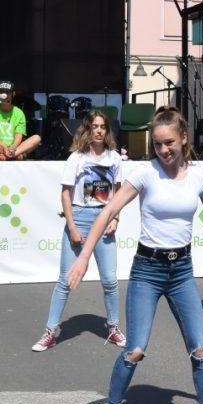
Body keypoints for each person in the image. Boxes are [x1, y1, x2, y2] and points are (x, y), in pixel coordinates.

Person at [67, 106, 203, 404]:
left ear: (183, 138)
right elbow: (109, 210)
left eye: (169, 142)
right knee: (135, 350)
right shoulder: (145, 173)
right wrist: (84, 256)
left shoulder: (199, 177)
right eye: (158, 144)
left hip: (182, 271)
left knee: (200, 351)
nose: (164, 150)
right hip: (147, 270)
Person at [33, 110, 126, 352]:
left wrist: (115, 218)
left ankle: (113, 326)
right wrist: (72, 226)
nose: (99, 131)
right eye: (94, 126)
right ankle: (51, 331)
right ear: (87, 129)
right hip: (80, 218)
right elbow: (65, 194)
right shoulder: (76, 158)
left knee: (110, 280)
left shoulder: (115, 158)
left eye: (102, 126)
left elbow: (117, 193)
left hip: (104, 218)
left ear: (107, 130)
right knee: (65, 280)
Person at [0, 80, 41, 160]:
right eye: (2, 92)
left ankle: (9, 154)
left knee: (37, 138)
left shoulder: (19, 113)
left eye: (7, 92)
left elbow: (19, 135)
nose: (5, 95)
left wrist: (13, 147)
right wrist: (4, 147)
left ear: (13, 94)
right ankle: (12, 154)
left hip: (14, 148)